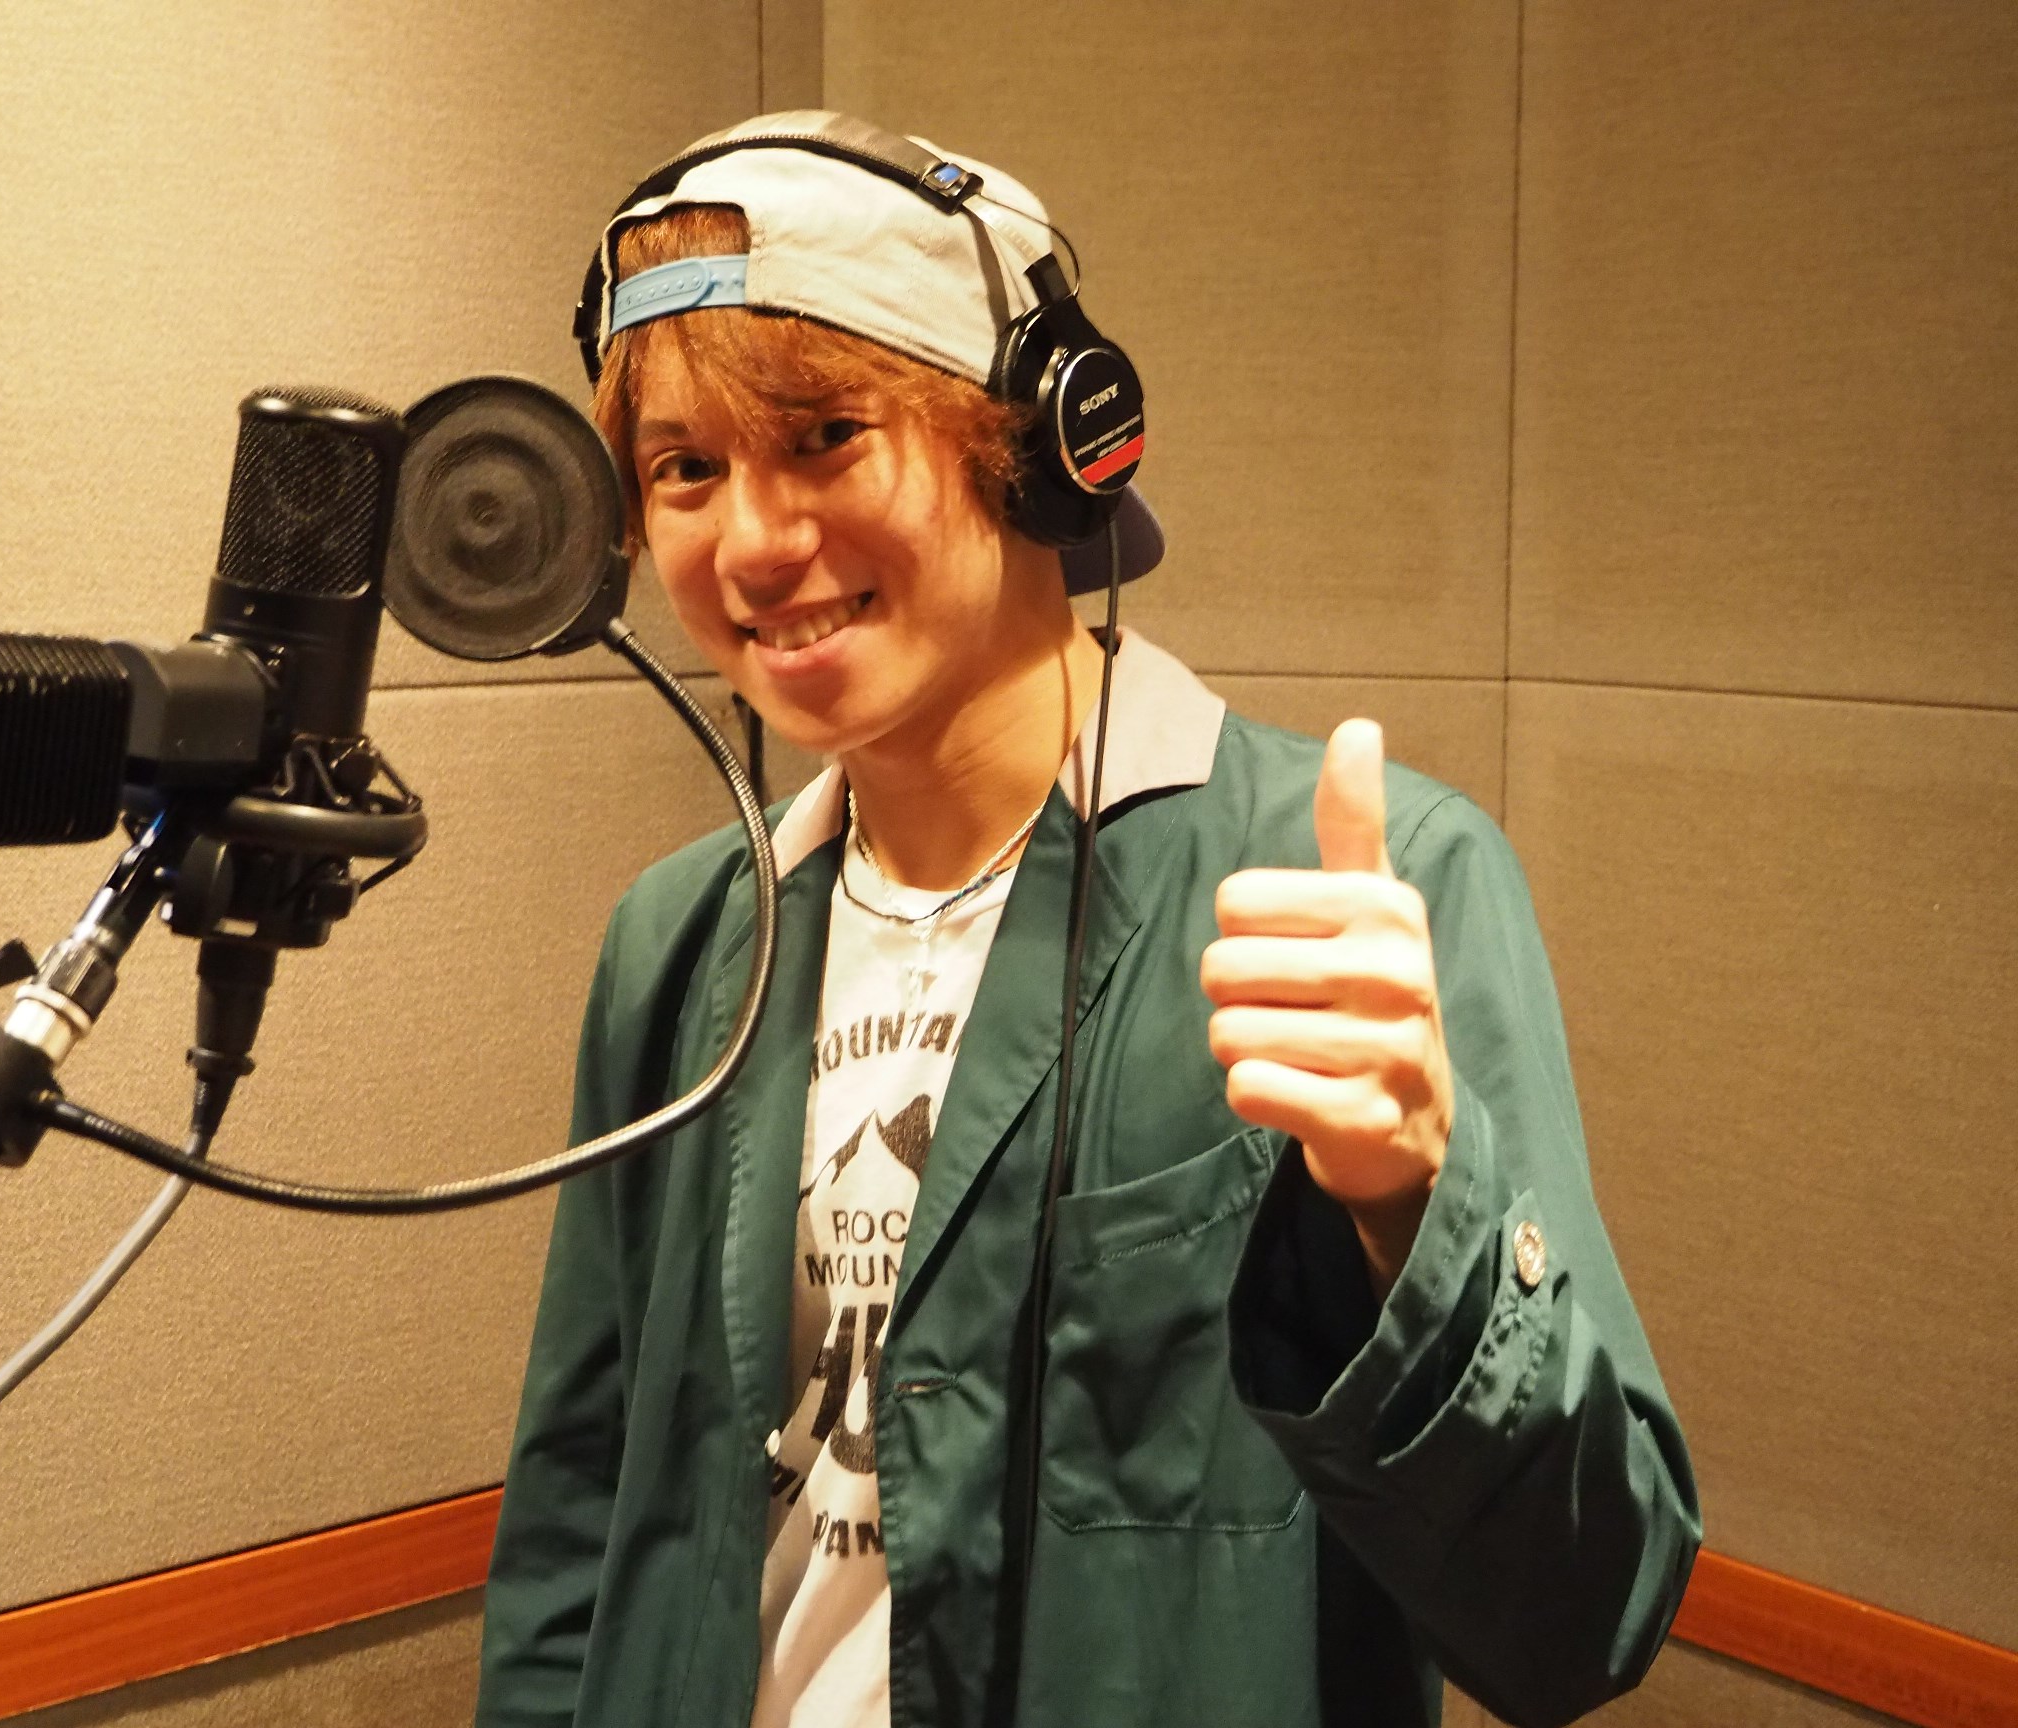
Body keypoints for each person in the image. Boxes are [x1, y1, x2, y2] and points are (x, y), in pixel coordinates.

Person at [476, 112, 1699, 1728]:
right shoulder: (683, 939)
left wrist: (1418, 1211)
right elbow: (579, 1519)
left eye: (826, 435)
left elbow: (1581, 1616)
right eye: (685, 469)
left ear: (1037, 442)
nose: (754, 544)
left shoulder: (1360, 895)